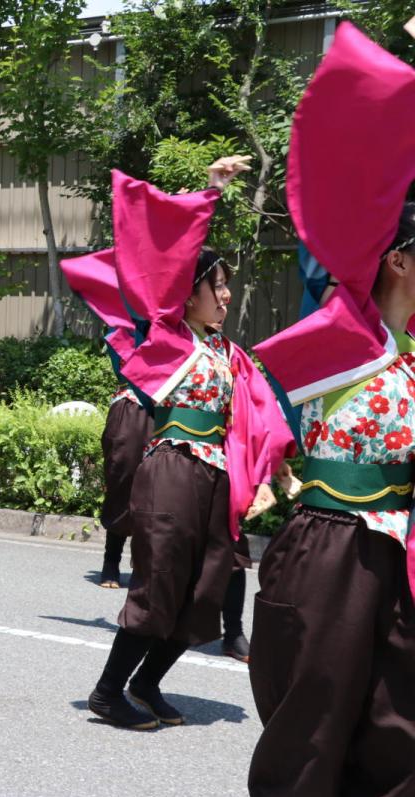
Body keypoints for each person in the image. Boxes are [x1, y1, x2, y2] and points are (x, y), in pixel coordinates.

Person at [249, 24, 415, 797]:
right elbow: (354, 188)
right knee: (311, 741)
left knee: (395, 741)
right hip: (334, 551)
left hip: (396, 557)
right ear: (400, 259)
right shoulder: (343, 329)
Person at [85, 160, 293, 730]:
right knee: (160, 585)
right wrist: (209, 192)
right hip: (173, 468)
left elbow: (263, 416)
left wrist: (276, 473)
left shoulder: (229, 353)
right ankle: (108, 692)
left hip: (216, 478)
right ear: (189, 292)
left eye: (227, 284)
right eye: (216, 284)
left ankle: (147, 683)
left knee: (206, 588)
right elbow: (166, 263)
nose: (226, 295)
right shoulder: (166, 340)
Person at [60, 249, 155, 591]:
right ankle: (111, 559)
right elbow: (129, 365)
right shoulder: (122, 326)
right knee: (123, 480)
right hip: (132, 408)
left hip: (172, 411)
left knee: (162, 492)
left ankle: (149, 564)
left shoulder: (176, 320)